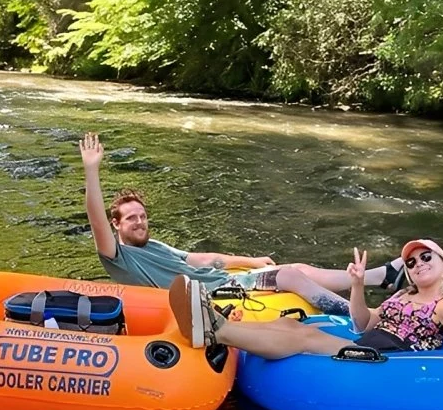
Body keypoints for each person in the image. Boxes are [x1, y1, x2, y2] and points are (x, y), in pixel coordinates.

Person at [80, 132, 408, 314]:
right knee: (291, 275)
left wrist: (249, 261)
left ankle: (382, 277)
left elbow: (205, 259)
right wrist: (92, 169)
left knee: (299, 266)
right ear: (117, 224)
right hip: (214, 293)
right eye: (132, 218)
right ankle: (364, 315)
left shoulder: (155, 246)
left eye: (143, 215)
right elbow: (95, 219)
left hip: (220, 278)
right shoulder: (117, 256)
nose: (139, 221)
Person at [167, 238, 443, 357]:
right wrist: (357, 286)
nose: (418, 264)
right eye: (411, 262)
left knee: (304, 336)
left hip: (393, 357)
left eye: (427, 258)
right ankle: (215, 322)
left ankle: (215, 332)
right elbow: (363, 322)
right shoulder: (402, 294)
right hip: (369, 342)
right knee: (286, 325)